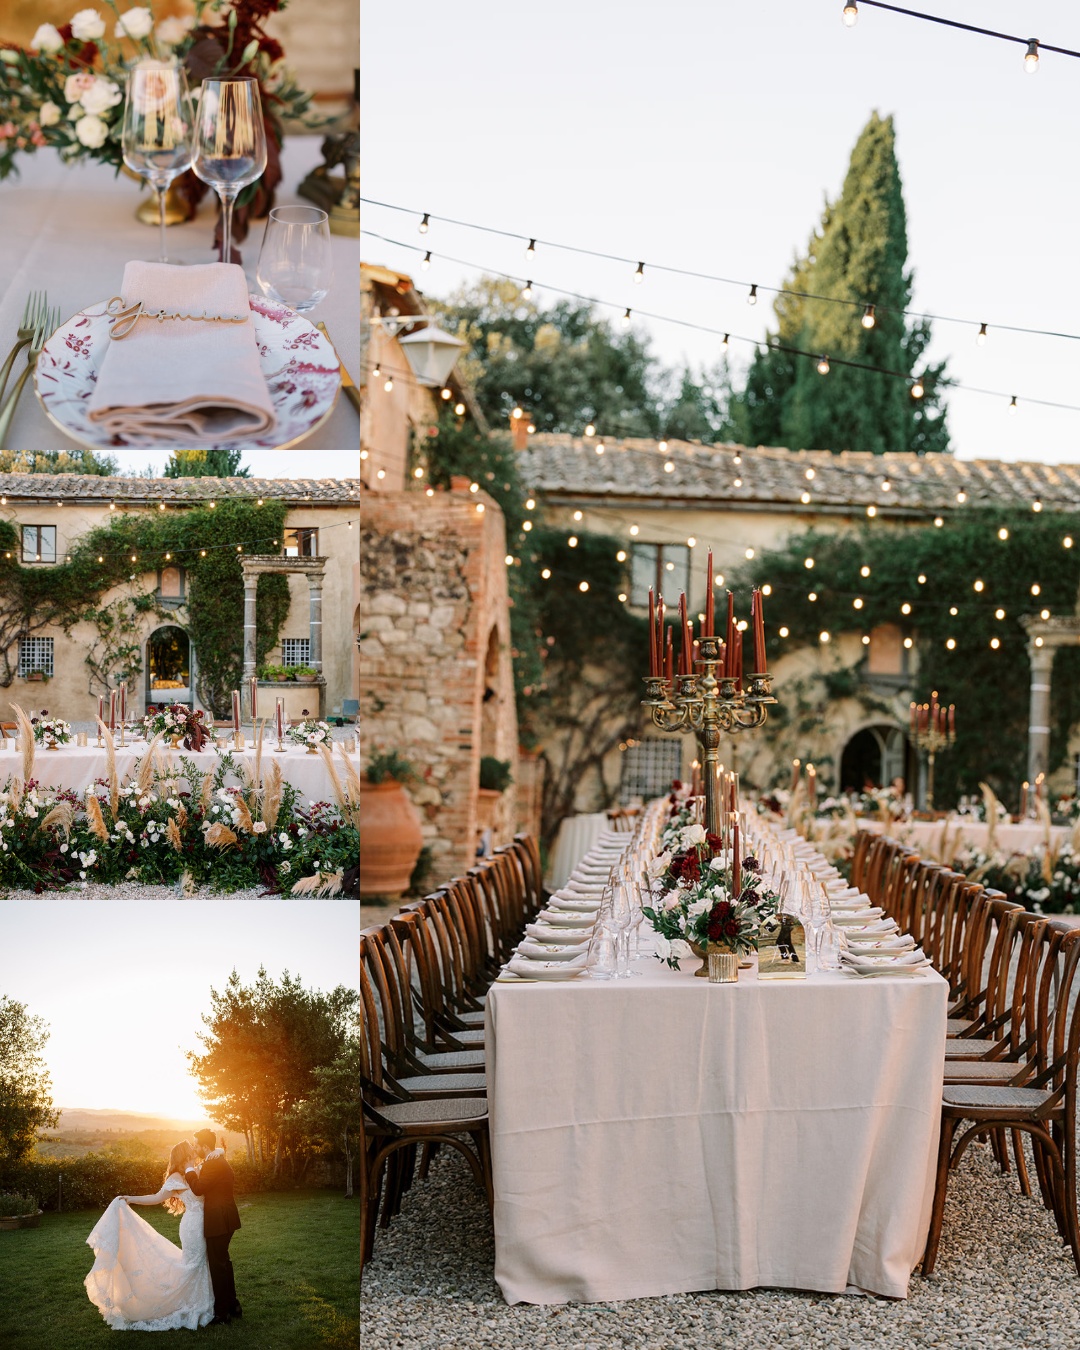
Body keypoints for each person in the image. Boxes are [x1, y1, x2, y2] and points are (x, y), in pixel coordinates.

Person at [85, 1140, 214, 1331]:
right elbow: (155, 1197)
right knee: (193, 1263)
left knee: (200, 1262)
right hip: (193, 1226)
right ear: (184, 1155)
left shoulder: (194, 1170)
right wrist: (131, 1199)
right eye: (191, 1149)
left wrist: (217, 1150)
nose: (195, 1150)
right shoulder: (177, 1178)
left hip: (206, 1222)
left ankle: (200, 1299)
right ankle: (190, 1302)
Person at [185, 1129, 242, 1325]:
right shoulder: (218, 1159)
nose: (195, 1148)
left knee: (218, 1266)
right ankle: (233, 1305)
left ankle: (222, 1313)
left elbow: (199, 1188)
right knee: (224, 1262)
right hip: (228, 1217)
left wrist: (189, 1171)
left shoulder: (212, 1163)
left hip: (218, 1220)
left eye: (196, 1145)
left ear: (206, 1147)